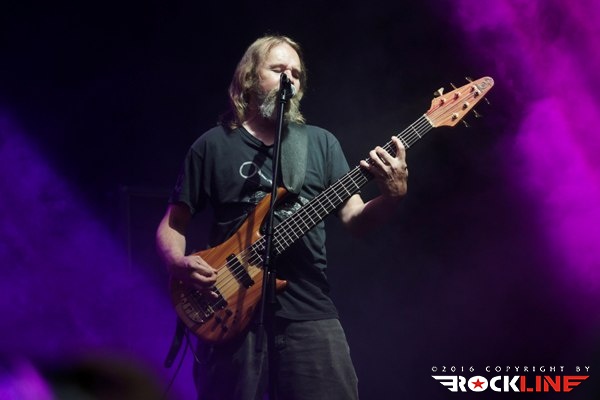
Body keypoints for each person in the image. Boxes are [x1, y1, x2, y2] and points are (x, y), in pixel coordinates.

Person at [156, 34, 408, 400]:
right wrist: (176, 262)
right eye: (278, 69)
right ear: (249, 78)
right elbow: (173, 224)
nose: (289, 78)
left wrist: (392, 196)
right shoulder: (212, 145)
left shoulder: (320, 143)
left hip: (309, 311)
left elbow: (356, 219)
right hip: (227, 308)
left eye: (296, 73)